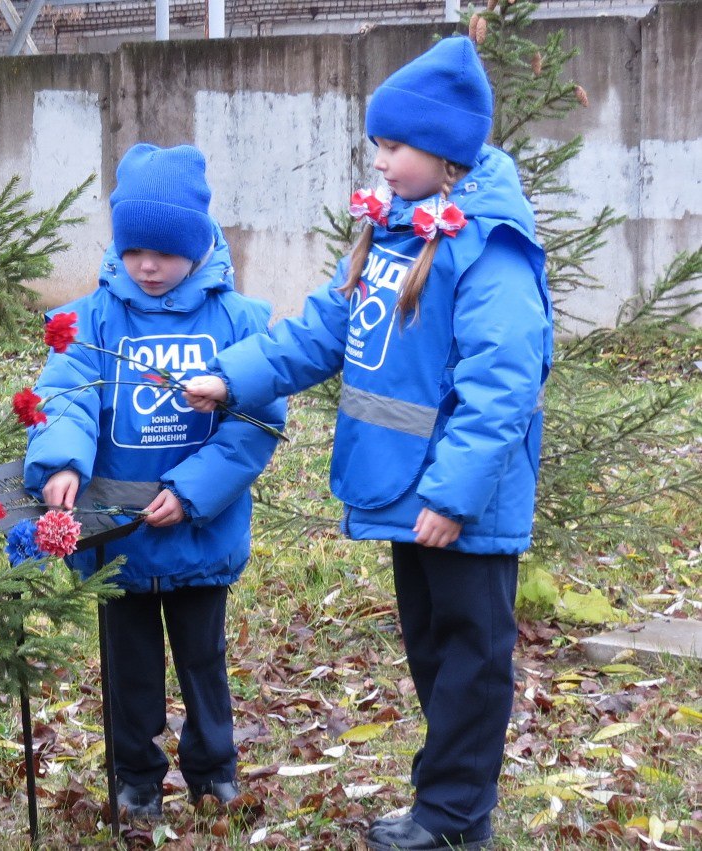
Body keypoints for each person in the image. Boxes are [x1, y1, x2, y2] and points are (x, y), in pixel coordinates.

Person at [184, 36, 552, 851]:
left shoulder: (486, 245)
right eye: (377, 145)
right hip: (402, 487)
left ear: (444, 150)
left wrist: (453, 496)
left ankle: (456, 818)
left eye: (392, 146)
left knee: (471, 656)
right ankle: (443, 802)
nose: (378, 162)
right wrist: (232, 376)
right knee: (432, 649)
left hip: (459, 499)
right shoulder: (393, 235)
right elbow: (327, 327)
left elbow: (501, 385)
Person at [23, 143, 286, 820]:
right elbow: (67, 395)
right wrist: (60, 462)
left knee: (204, 660)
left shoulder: (238, 321)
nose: (148, 265)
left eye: (165, 252)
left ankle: (213, 768)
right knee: (127, 669)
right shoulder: (90, 320)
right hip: (120, 536)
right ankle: (135, 777)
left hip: (199, 529)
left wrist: (195, 489)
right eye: (135, 249)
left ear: (197, 246)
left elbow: (253, 421)